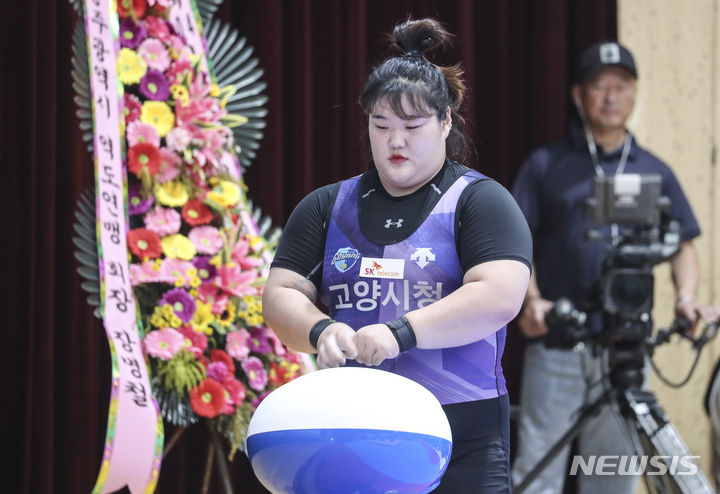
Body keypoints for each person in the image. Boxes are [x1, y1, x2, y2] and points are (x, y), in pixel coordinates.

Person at [262, 18, 532, 493]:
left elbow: (500, 296)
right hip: (355, 428)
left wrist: (401, 333)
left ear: (446, 122)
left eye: (413, 125)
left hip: (461, 433)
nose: (395, 140)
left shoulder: (481, 202)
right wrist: (320, 329)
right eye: (380, 125)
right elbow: (280, 295)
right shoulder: (327, 206)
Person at [511, 40, 718, 493]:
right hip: (560, 344)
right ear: (578, 95)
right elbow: (515, 242)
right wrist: (531, 300)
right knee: (535, 473)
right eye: (599, 86)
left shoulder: (655, 170)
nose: (610, 97)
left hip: (627, 348)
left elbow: (683, 243)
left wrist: (685, 300)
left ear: (634, 93)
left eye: (620, 86)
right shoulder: (547, 165)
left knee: (612, 480)